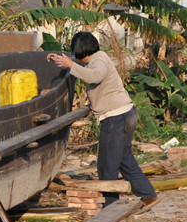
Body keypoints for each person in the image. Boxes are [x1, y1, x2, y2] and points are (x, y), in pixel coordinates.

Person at [50, 32, 159, 212]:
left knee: (107, 166)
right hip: (126, 113)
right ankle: (148, 196)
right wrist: (59, 59)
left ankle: (110, 210)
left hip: (116, 118)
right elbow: (89, 72)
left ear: (81, 51)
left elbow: (95, 76)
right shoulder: (100, 57)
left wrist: (70, 65)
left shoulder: (98, 62)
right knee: (125, 160)